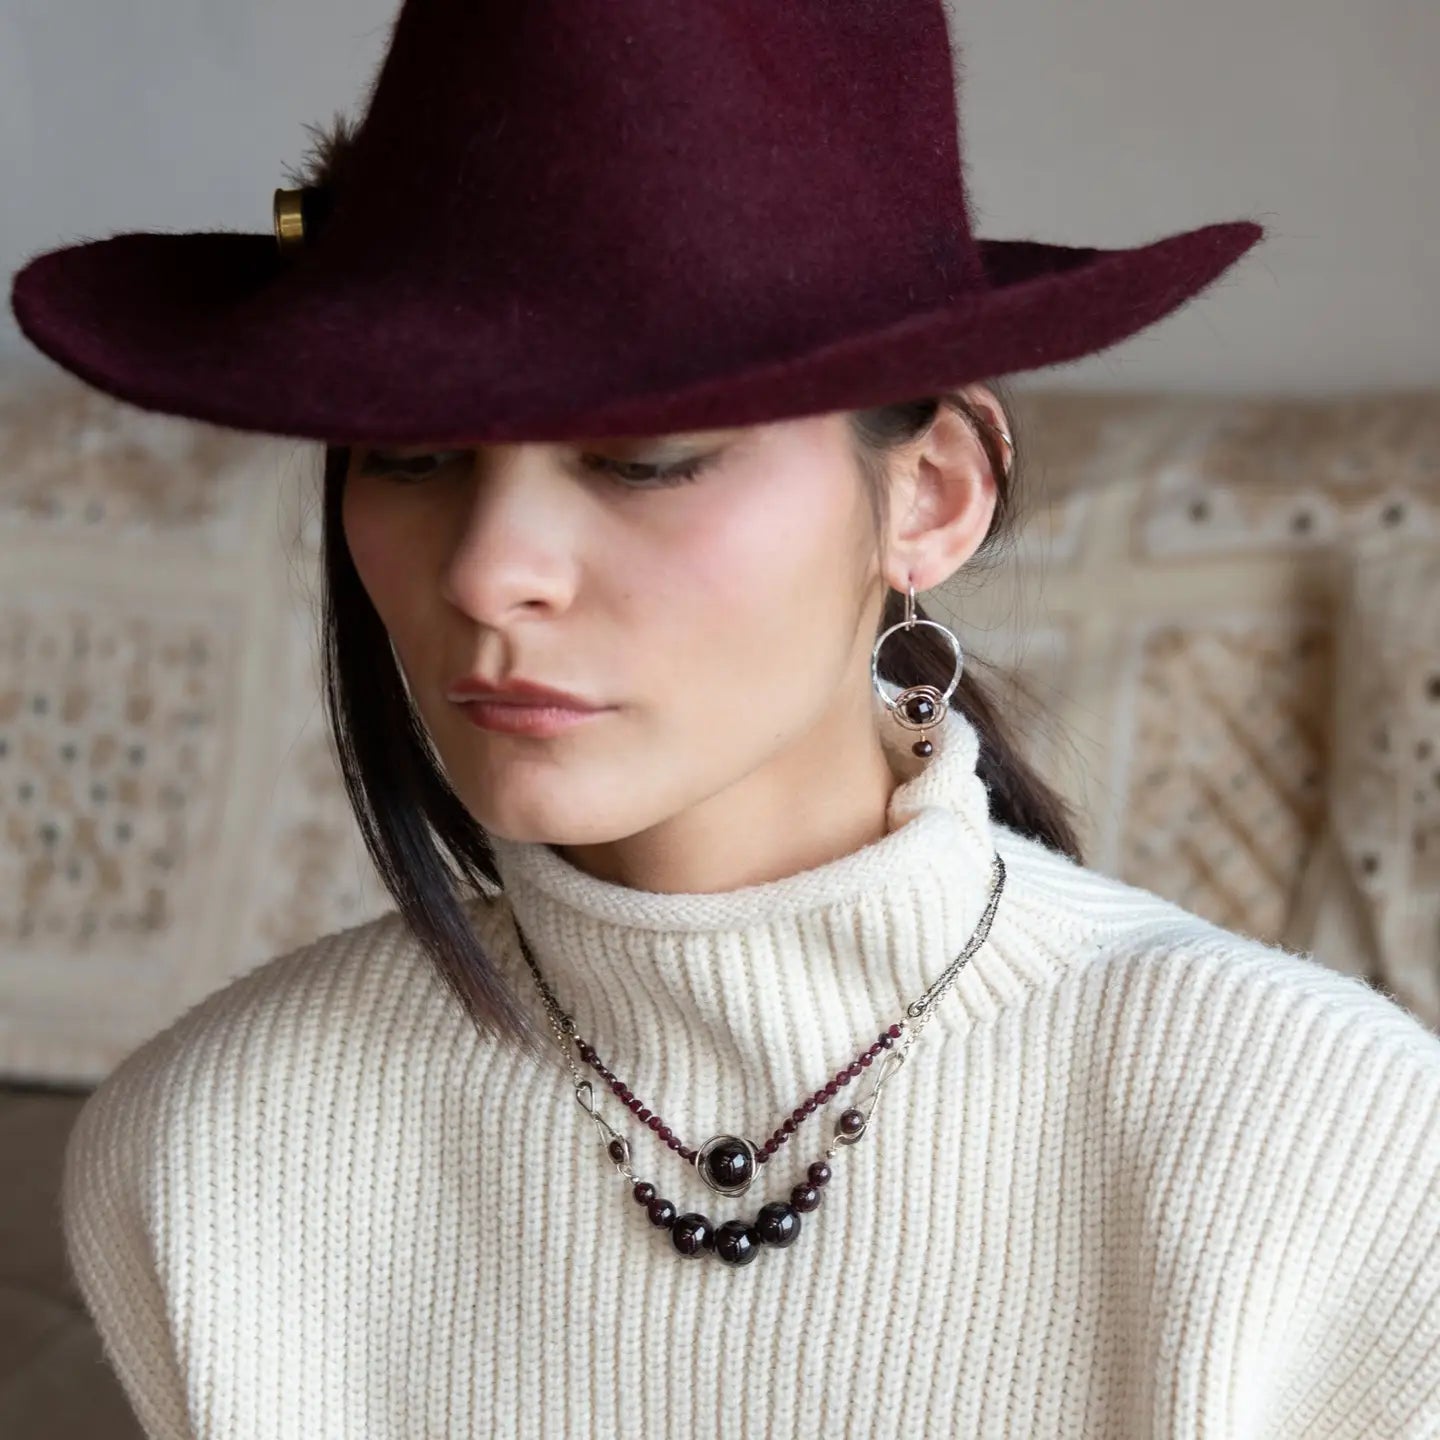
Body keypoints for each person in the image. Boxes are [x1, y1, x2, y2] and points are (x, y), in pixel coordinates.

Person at [10, 3, 1440, 1437]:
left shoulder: (1326, 1146)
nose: (488, 570)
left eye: (641, 459)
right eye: (412, 455)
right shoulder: (209, 1159)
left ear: (933, 496)